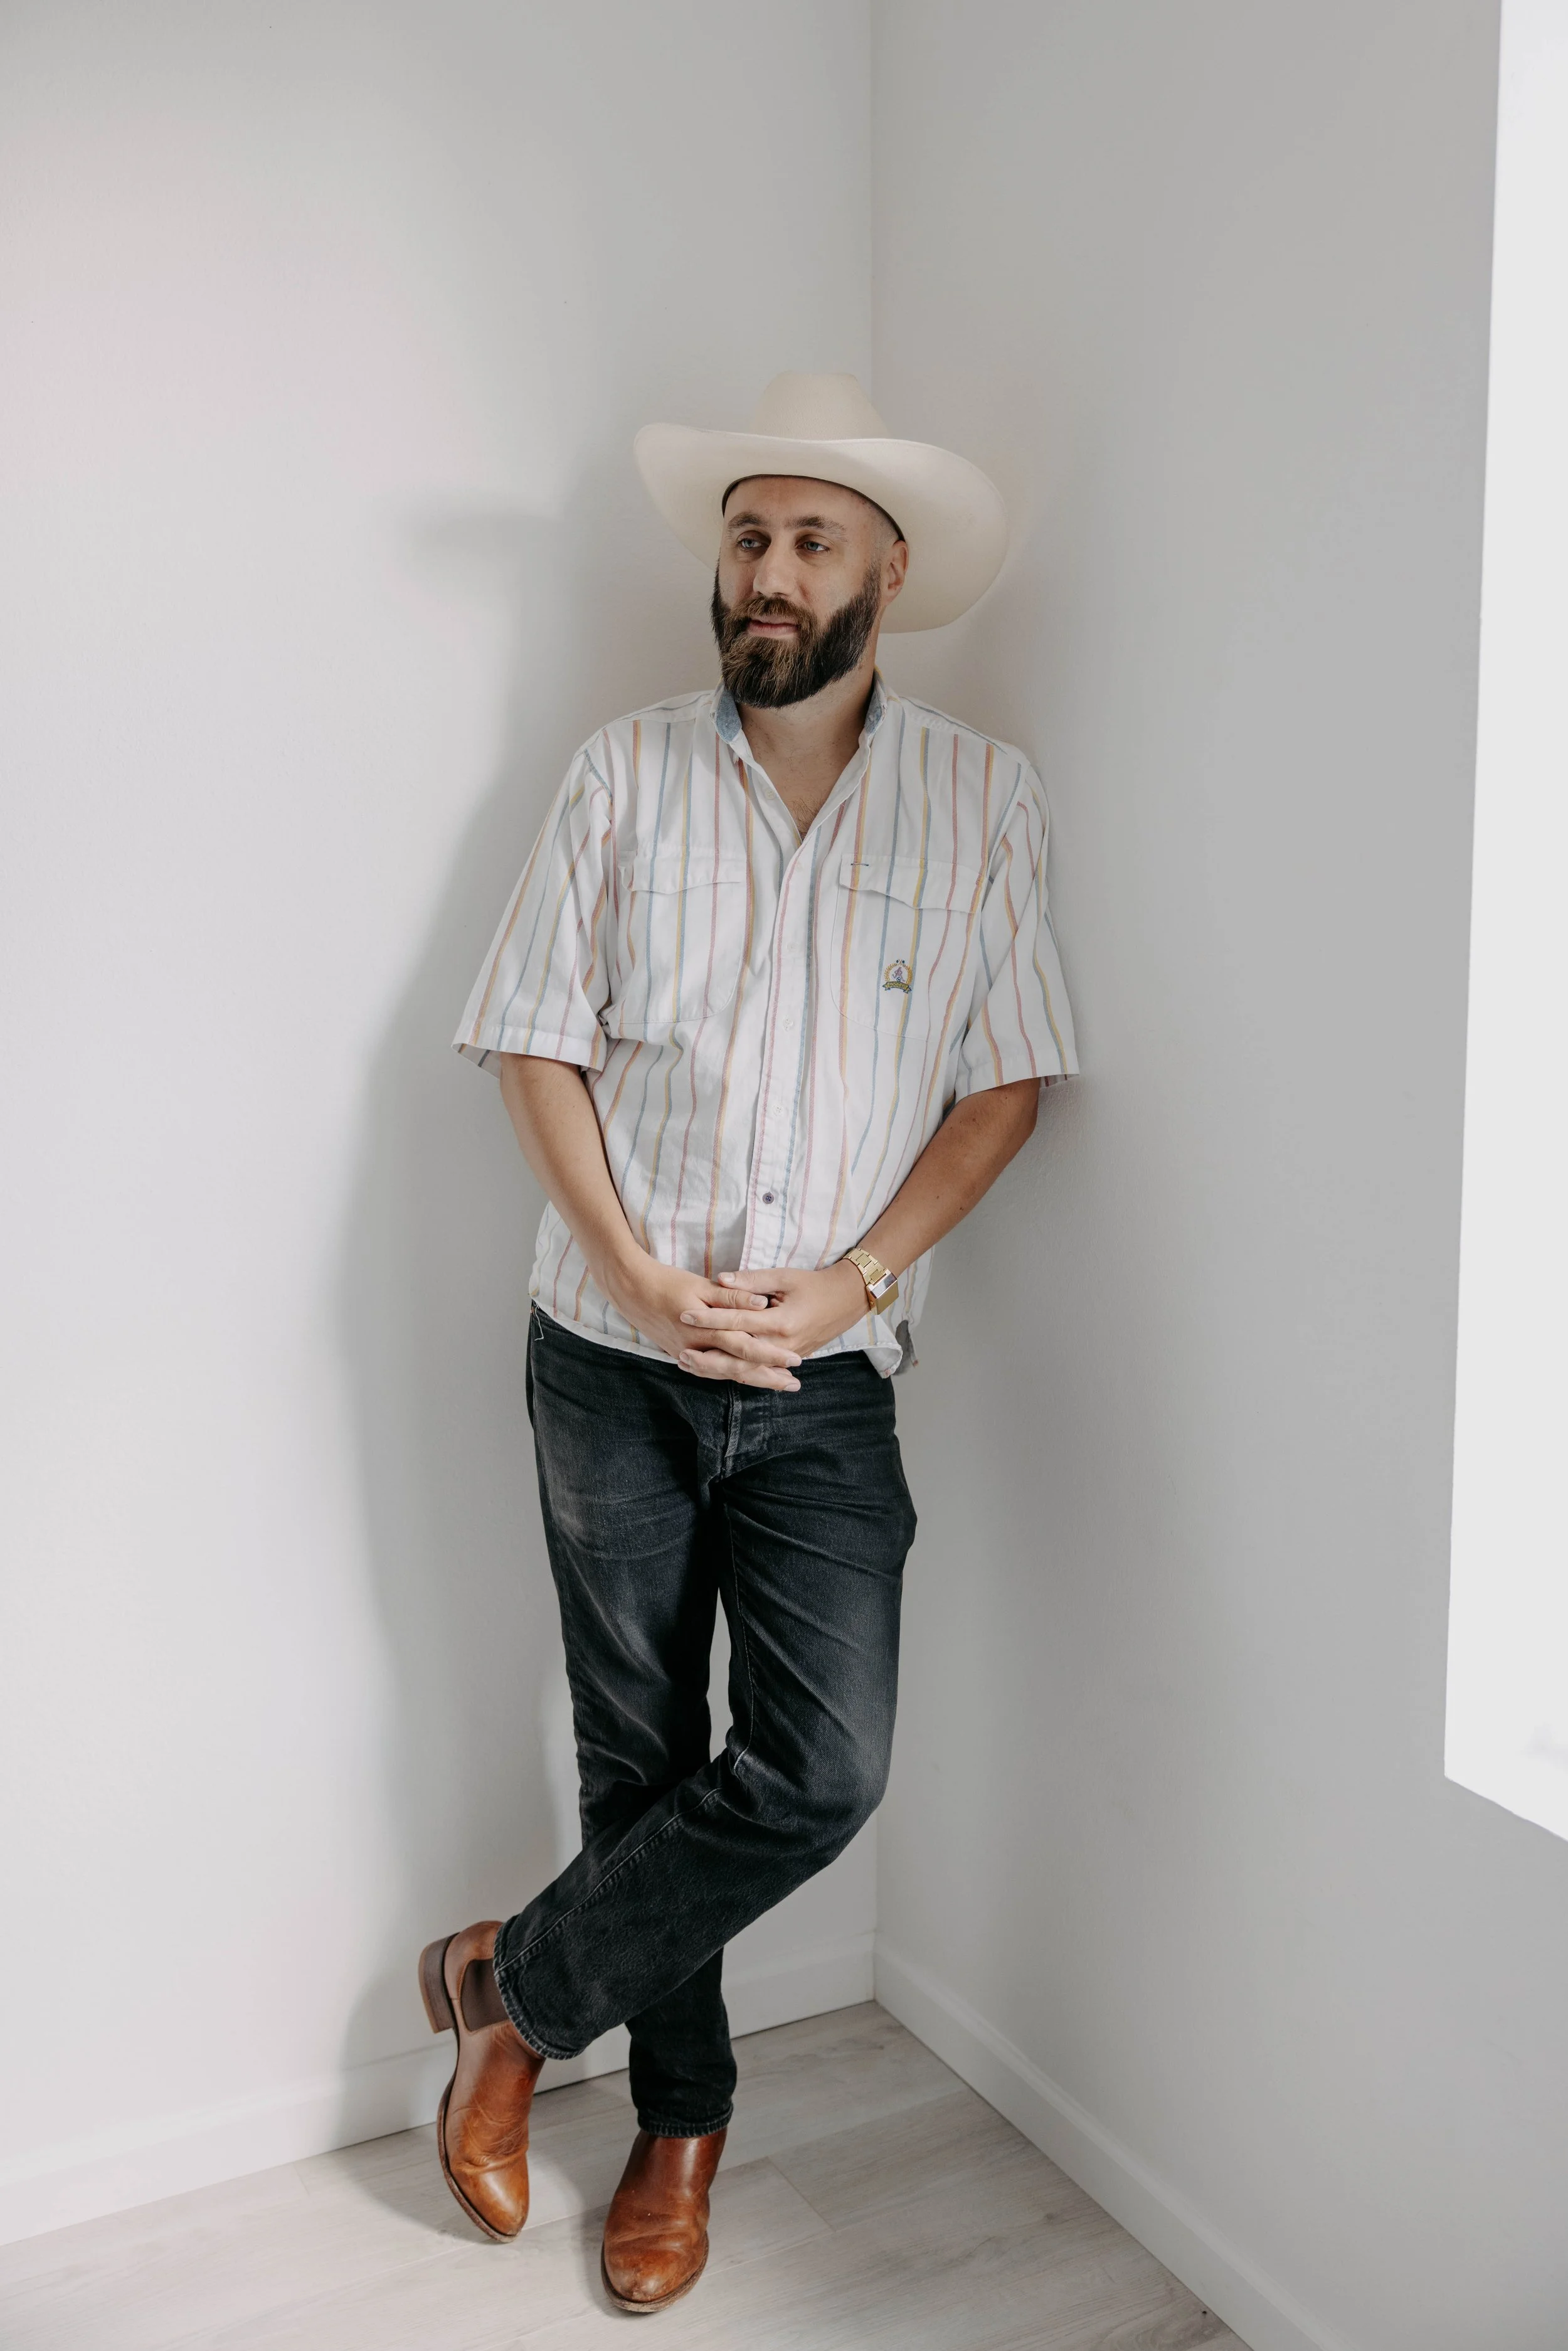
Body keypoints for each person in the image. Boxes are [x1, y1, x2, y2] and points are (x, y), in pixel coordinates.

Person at [418, 373, 1078, 2314]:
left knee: (818, 1764)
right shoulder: (620, 773)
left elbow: (1007, 1080)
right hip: (603, 1357)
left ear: (887, 570)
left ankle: (512, 1990)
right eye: (744, 539)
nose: (765, 573)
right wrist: (632, 1273)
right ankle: (680, 2128)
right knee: (637, 1751)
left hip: (822, 1381)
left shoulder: (982, 798)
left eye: (806, 540)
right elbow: (531, 1040)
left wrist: (856, 1276)